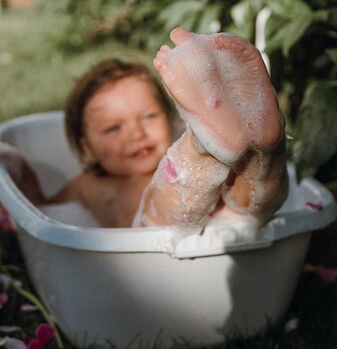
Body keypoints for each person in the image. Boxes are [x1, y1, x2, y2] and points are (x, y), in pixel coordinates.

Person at [0, 28, 288, 230]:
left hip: (195, 231)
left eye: (149, 117)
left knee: (243, 207)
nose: (136, 134)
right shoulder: (85, 185)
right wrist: (14, 164)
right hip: (156, 242)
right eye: (113, 128)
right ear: (86, 146)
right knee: (195, 209)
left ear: (168, 116)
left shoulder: (98, 181)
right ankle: (219, 149)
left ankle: (257, 148)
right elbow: (38, 214)